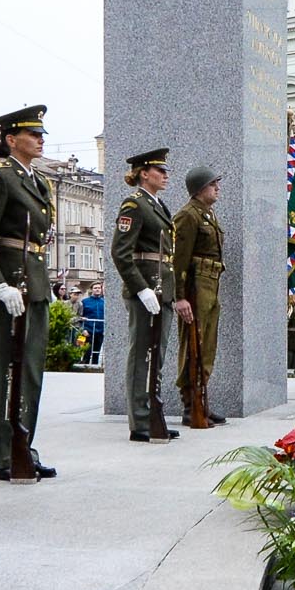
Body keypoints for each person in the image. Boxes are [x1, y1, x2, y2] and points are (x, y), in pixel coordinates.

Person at [0, 108, 59, 480]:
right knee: (4, 372)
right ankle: (5, 455)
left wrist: (45, 283)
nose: (41, 139)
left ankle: (25, 445)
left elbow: (38, 240)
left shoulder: (38, 180)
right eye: (33, 134)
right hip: (8, 283)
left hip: (33, 284)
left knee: (31, 372)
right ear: (11, 139)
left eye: (42, 134)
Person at [111, 147, 178, 441]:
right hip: (146, 288)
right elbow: (121, 253)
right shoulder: (134, 204)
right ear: (143, 173)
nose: (165, 175)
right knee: (141, 356)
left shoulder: (158, 205)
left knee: (157, 355)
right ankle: (139, 421)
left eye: (165, 170)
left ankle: (152, 415)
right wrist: (141, 289)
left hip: (161, 288)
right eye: (159, 170)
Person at [170, 164, 226, 424]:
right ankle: (190, 403)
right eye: (213, 183)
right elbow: (178, 260)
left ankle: (201, 399)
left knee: (207, 346)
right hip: (195, 286)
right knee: (193, 344)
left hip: (211, 283)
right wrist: (179, 296)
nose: (217, 188)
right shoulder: (188, 216)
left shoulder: (207, 214)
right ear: (199, 188)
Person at [79, 281, 105, 367]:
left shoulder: (104, 302)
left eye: (99, 288)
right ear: (91, 290)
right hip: (88, 331)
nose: (97, 290)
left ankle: (95, 369)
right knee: (87, 351)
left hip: (100, 331)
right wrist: (83, 329)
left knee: (96, 353)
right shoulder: (85, 302)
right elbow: (80, 316)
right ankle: (84, 368)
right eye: (95, 288)